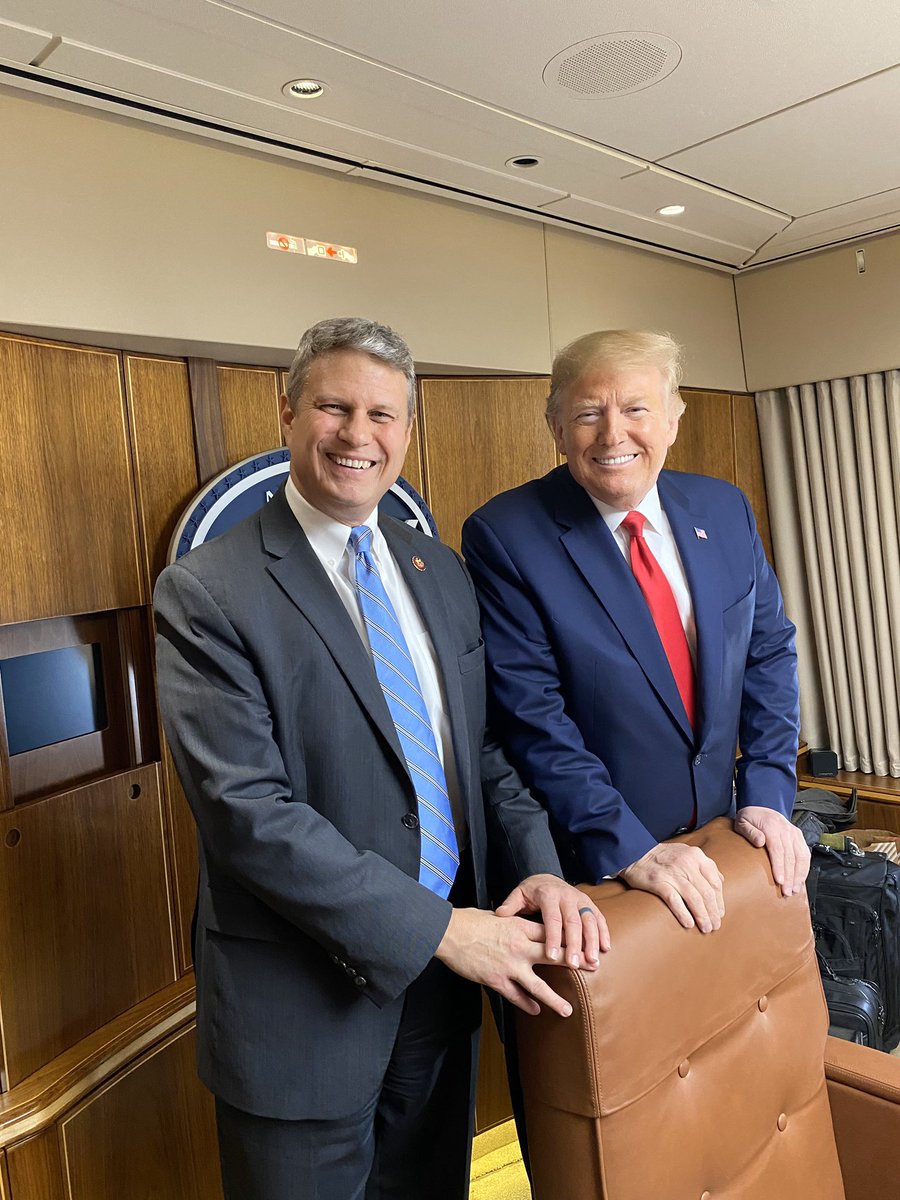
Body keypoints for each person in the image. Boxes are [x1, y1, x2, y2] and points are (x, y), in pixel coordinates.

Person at [154, 316, 608, 1200]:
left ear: (407, 429)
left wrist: (541, 868)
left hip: (443, 997)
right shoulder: (208, 592)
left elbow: (480, 750)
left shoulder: (440, 569)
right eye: (335, 407)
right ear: (288, 412)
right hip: (302, 1011)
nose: (357, 434)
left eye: (382, 414)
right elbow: (249, 816)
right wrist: (440, 929)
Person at [462, 329, 810, 934]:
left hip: (725, 839)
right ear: (556, 429)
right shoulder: (506, 535)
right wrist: (628, 846)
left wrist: (767, 792)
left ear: (672, 419)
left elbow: (768, 653)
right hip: (599, 869)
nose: (612, 434)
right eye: (587, 414)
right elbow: (532, 716)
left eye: (635, 409)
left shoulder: (724, 509)